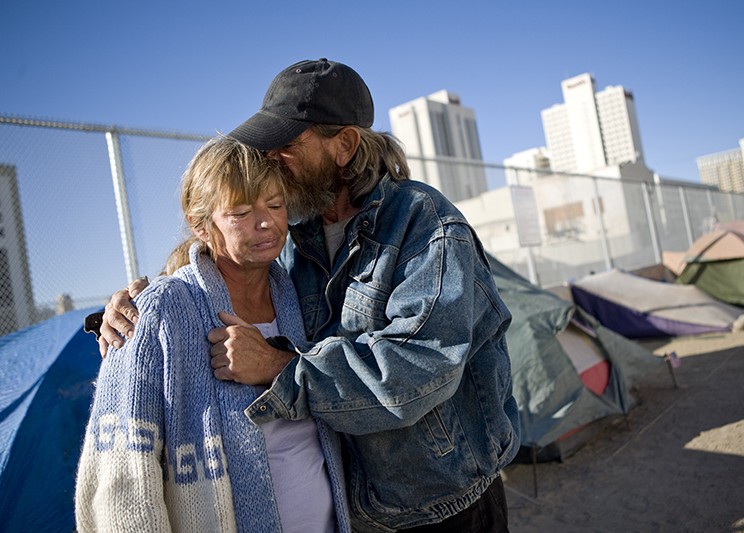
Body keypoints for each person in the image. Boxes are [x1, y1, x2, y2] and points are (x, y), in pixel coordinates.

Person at [98, 58, 520, 532]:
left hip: (444, 508)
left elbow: (417, 373)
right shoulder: (299, 234)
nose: (270, 157)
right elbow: (225, 259)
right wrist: (144, 296)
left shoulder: (427, 229)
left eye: (287, 144)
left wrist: (279, 369)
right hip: (355, 512)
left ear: (344, 145)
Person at [76, 136, 351, 532]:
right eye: (240, 212)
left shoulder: (299, 292)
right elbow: (122, 479)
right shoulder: (160, 311)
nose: (266, 223)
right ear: (200, 225)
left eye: (275, 205)